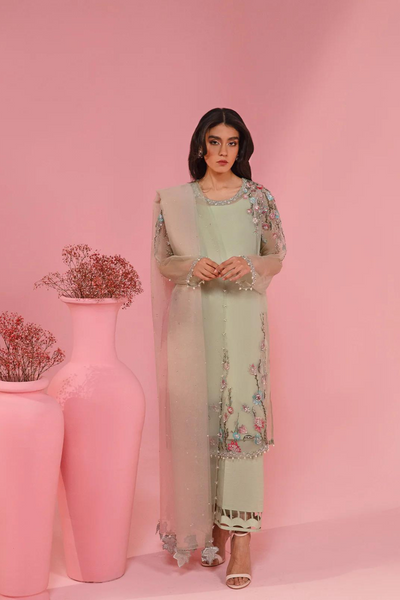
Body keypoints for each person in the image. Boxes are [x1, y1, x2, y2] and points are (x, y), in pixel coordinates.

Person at [150, 107, 287, 589]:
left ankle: (241, 539)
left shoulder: (258, 198)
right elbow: (162, 260)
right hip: (196, 322)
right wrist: (192, 266)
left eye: (232, 142)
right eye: (215, 142)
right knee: (202, 415)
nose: (223, 151)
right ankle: (210, 526)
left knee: (241, 418)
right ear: (200, 146)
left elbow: (276, 255)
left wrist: (249, 262)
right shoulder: (175, 201)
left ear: (241, 147)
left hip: (245, 322)